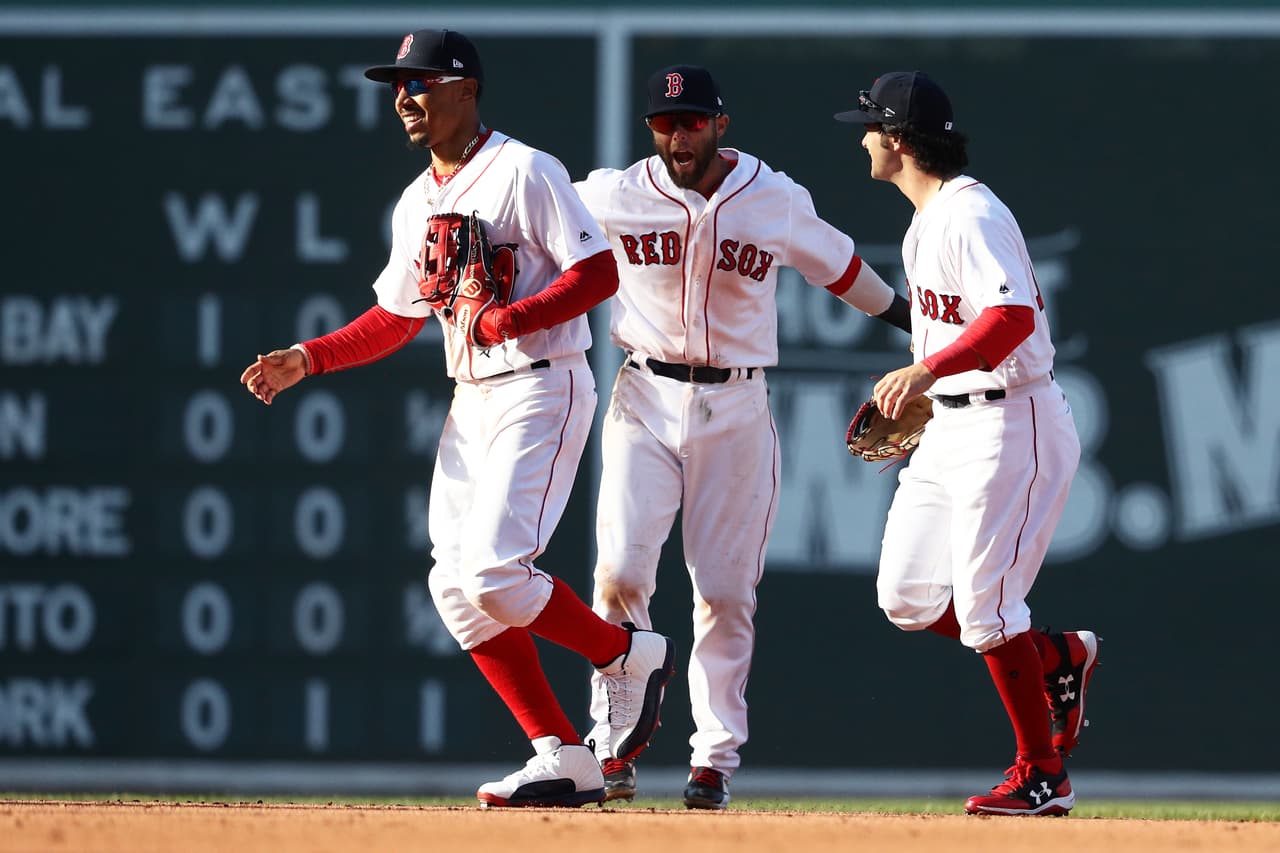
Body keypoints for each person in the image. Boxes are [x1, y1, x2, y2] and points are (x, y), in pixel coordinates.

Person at [238, 28, 676, 809]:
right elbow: (395, 318)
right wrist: (309, 357)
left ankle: (624, 655)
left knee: (492, 572)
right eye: (396, 85)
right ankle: (563, 755)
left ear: (466, 89)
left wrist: (513, 319)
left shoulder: (525, 169)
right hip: (471, 398)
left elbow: (599, 270)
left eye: (421, 81)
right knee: (452, 584)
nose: (404, 97)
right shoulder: (418, 201)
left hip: (542, 384)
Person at [574, 64, 913, 809]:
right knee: (621, 572)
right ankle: (610, 747)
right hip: (645, 396)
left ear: (721, 125)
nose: (677, 134)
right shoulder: (614, 194)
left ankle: (713, 760)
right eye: (664, 122)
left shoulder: (774, 197)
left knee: (725, 592)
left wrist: (914, 325)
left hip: (737, 406)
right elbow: (539, 227)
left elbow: (844, 268)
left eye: (691, 120)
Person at [834, 71, 1100, 816]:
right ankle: (1055, 657)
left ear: (896, 139)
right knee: (907, 596)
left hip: (1015, 421)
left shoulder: (969, 213)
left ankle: (1043, 773)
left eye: (867, 129)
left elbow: (1012, 317)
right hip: (954, 424)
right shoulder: (927, 221)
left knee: (986, 608)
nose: (859, 140)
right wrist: (934, 389)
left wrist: (925, 367)